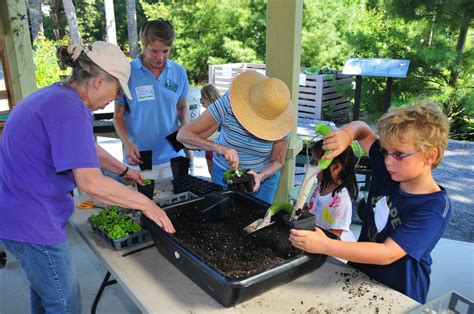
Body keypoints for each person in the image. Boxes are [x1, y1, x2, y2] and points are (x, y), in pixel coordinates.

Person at [0, 42, 175, 313]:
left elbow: (83, 147)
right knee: (64, 302)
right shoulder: (70, 110)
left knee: (43, 292)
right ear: (97, 82)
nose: (113, 100)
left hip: (15, 210)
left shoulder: (58, 97)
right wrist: (146, 204)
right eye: (116, 91)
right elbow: (90, 182)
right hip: (32, 221)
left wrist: (125, 171)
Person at [289, 104, 451, 303]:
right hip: (359, 276)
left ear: (430, 155)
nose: (388, 161)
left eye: (399, 154)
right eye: (385, 151)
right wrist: (347, 135)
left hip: (399, 295)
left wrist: (326, 245)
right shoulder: (388, 169)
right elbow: (363, 131)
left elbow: (387, 253)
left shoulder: (433, 209)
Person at [178, 70, 295, 204]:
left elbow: (278, 161)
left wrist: (260, 176)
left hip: (263, 181)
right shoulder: (229, 103)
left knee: (258, 220)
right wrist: (219, 148)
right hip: (224, 173)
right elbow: (183, 136)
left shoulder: (282, 121)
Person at [114, 18, 191, 178]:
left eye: (165, 51)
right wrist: (127, 144)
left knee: (176, 201)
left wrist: (184, 125)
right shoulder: (128, 72)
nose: (160, 57)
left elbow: (182, 107)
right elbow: (118, 116)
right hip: (140, 158)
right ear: (144, 45)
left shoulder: (178, 72)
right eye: (154, 51)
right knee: (144, 201)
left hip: (173, 154)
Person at [307, 139, 358, 241]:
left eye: (316, 163)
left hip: (332, 248)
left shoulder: (341, 200)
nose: (312, 167)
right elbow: (312, 208)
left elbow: (335, 234)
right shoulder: (321, 185)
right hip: (317, 240)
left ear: (336, 167)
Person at [200, 84, 221, 180]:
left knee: (214, 177)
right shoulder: (222, 110)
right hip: (211, 149)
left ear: (211, 99)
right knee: (214, 176)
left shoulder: (212, 114)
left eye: (203, 100)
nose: (201, 104)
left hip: (214, 149)